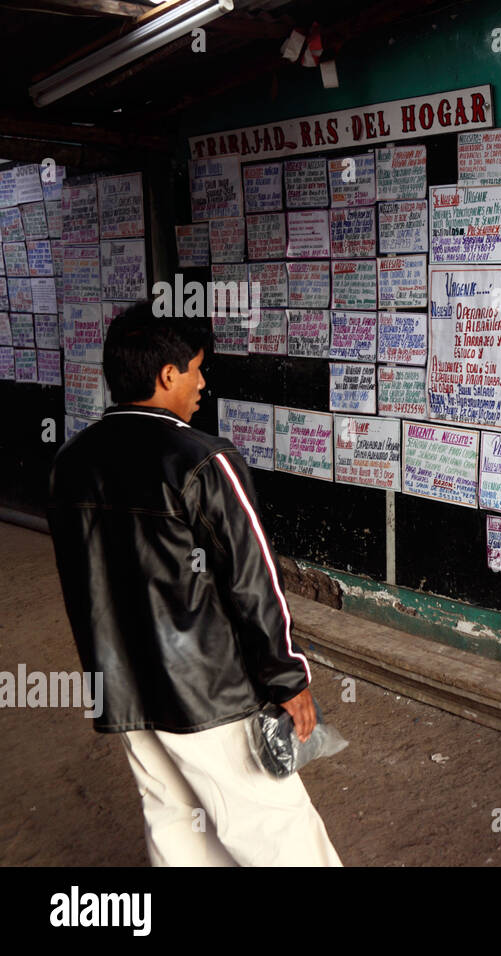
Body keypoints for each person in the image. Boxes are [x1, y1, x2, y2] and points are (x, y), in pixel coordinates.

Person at [47, 301, 342, 866]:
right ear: (167, 375)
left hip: (124, 686)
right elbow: (254, 582)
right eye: (197, 369)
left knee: (176, 830)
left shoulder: (71, 462)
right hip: (210, 691)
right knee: (279, 833)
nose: (203, 383)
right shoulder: (204, 461)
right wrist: (288, 678)